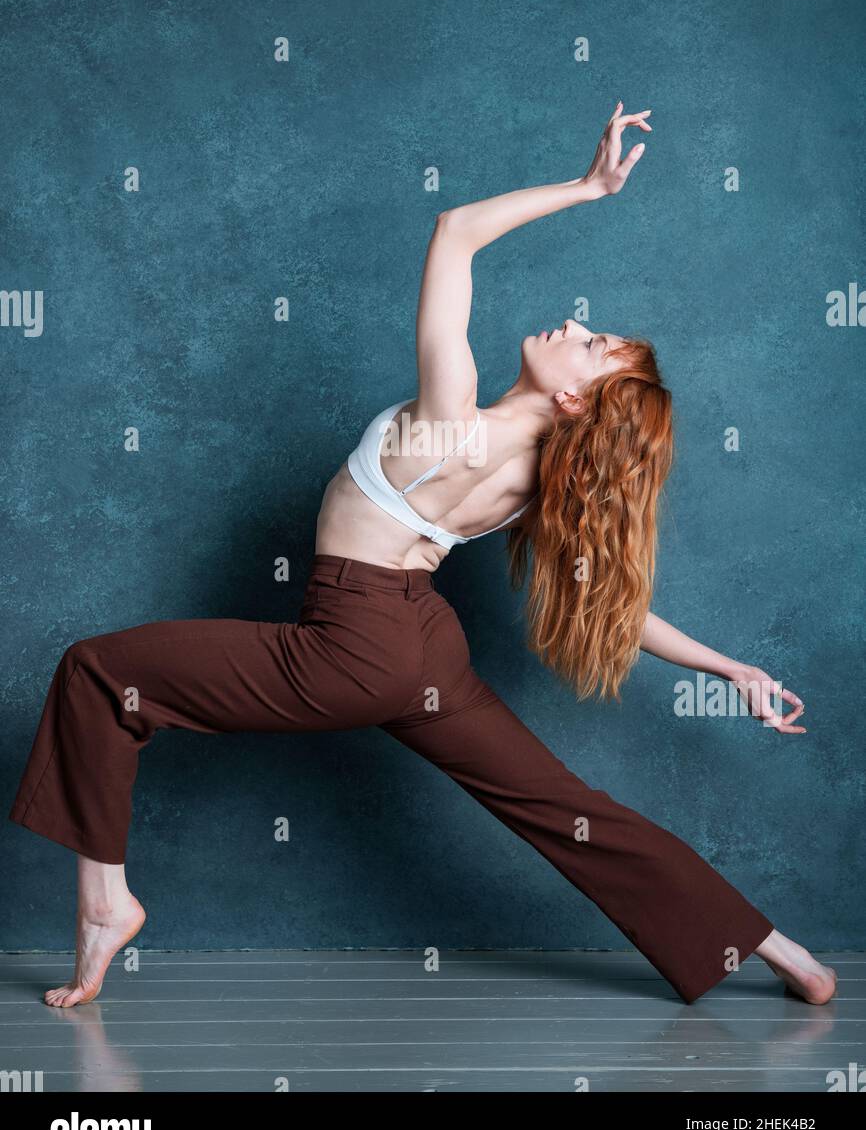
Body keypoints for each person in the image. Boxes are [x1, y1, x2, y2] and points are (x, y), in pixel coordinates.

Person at [10, 102, 836, 1009]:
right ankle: (777, 947)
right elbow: (620, 612)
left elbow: (454, 231)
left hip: (352, 643)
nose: (573, 324)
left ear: (570, 399)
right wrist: (732, 668)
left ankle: (105, 901)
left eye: (591, 345)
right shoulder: (537, 483)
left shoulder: (456, 417)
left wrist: (587, 187)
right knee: (566, 809)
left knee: (97, 673)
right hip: (424, 650)